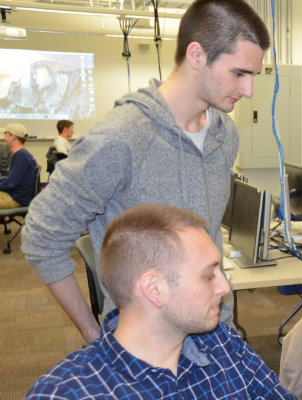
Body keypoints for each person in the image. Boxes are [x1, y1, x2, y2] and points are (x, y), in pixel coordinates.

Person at [21, 0, 270, 343]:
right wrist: (94, 335)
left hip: (214, 330)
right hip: (143, 342)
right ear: (197, 56)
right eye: (239, 73)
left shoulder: (225, 135)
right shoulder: (121, 137)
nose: (248, 90)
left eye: (253, 76)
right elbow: (41, 236)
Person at [25, 204, 295, 399]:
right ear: (154, 288)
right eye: (208, 275)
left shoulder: (222, 343)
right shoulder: (65, 393)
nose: (225, 287)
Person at [0, 123, 37, 209]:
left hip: (15, 198)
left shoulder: (21, 156)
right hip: (16, 196)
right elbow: (10, 179)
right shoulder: (22, 154)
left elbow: (11, 184)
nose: (4, 138)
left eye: (5, 135)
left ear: (13, 137)